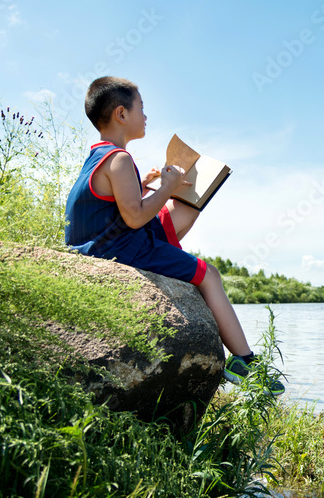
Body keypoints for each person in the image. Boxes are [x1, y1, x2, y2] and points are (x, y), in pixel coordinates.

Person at [63, 76, 282, 395]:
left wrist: (147, 185)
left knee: (185, 210)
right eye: (142, 108)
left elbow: (115, 206)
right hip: (121, 248)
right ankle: (243, 360)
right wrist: (165, 187)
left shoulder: (100, 156)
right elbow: (135, 217)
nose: (146, 115)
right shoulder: (120, 159)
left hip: (106, 241)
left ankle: (174, 245)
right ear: (122, 114)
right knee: (209, 275)